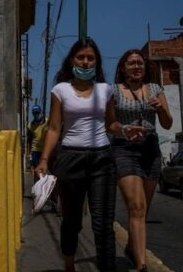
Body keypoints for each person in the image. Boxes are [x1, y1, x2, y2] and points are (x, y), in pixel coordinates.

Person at [35, 37, 116, 272]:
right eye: (81, 57)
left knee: (103, 224)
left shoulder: (106, 90)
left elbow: (111, 124)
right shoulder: (60, 90)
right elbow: (53, 128)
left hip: (102, 159)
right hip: (70, 159)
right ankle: (69, 265)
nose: (86, 62)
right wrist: (43, 160)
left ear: (97, 62)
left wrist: (123, 129)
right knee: (72, 221)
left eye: (91, 58)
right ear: (72, 60)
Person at [107, 49, 173, 272]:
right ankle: (140, 264)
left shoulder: (155, 89)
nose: (136, 66)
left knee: (143, 209)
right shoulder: (114, 91)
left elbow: (167, 123)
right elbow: (110, 124)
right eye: (131, 63)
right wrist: (124, 129)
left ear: (145, 68)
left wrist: (161, 108)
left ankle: (131, 247)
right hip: (124, 149)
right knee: (136, 207)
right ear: (123, 68)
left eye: (139, 63)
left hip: (150, 149)